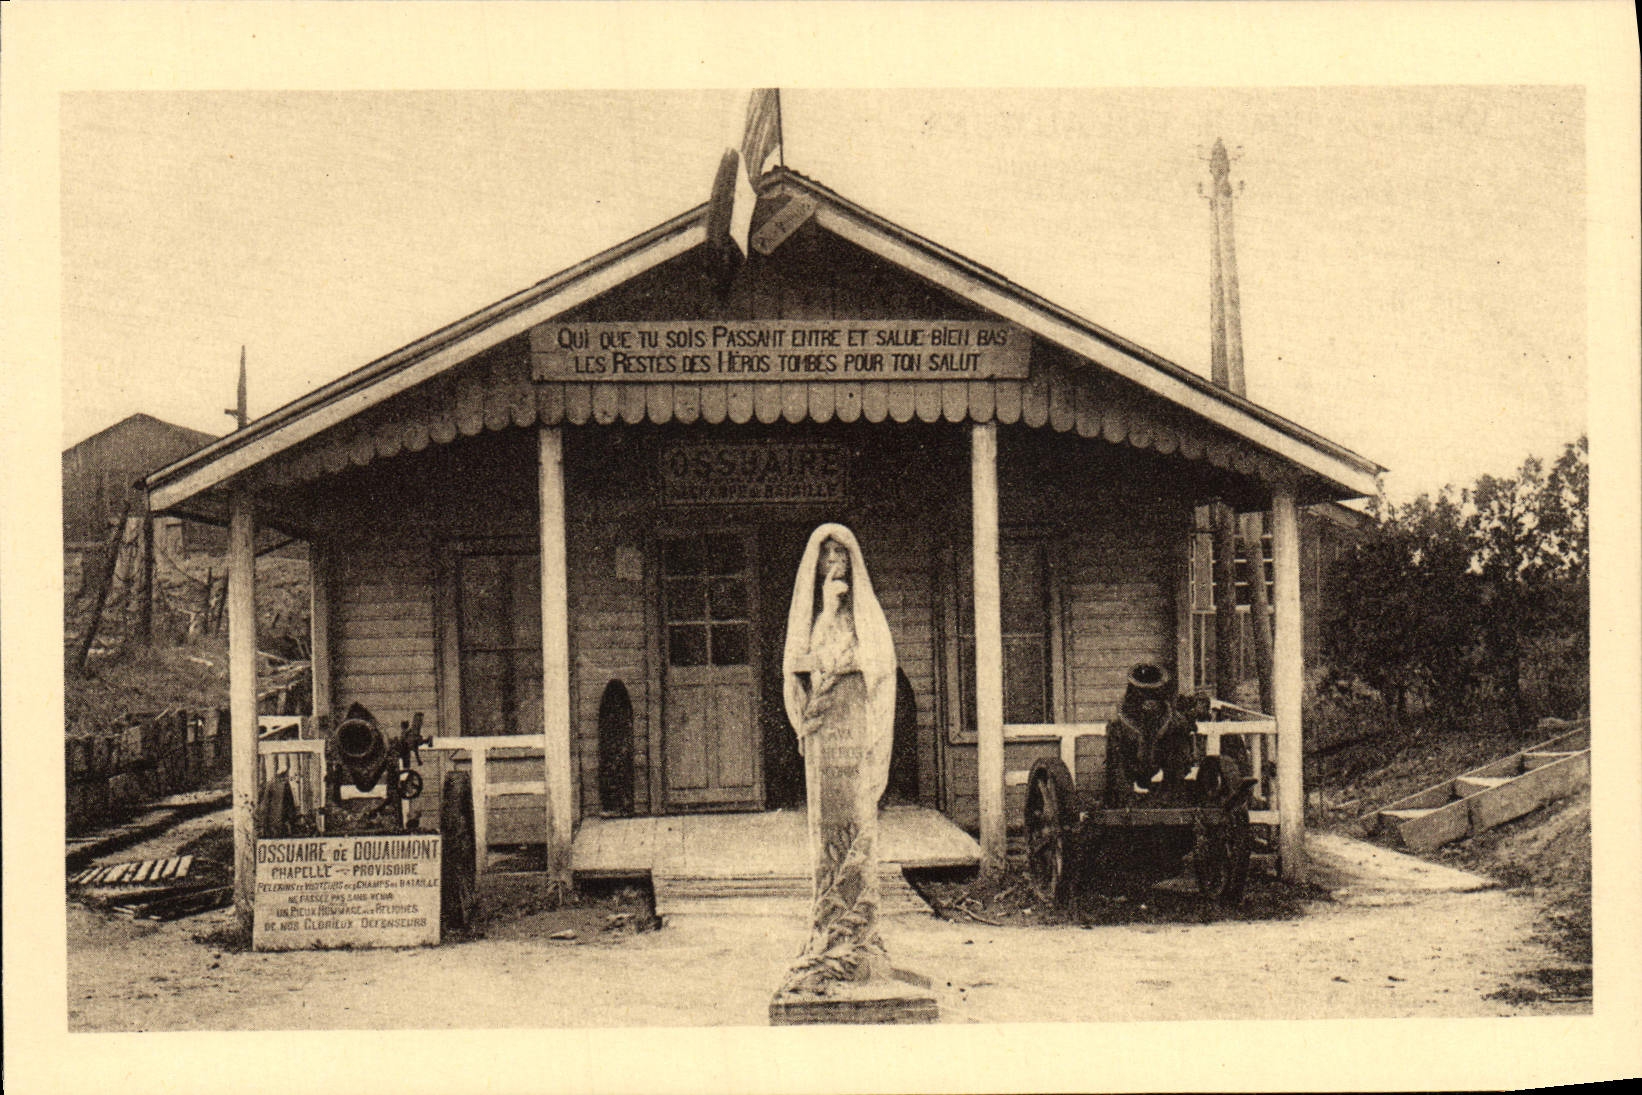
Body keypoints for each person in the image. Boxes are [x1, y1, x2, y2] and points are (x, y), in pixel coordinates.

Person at [779, 524, 897, 992]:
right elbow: (801, 664)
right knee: (827, 831)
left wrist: (856, 666)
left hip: (856, 729)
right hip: (826, 736)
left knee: (859, 826)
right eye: (826, 557)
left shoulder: (863, 616)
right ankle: (827, 931)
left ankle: (861, 937)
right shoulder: (819, 617)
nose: (834, 564)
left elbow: (880, 662)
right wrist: (826, 612)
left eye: (840, 556)